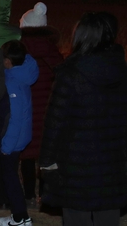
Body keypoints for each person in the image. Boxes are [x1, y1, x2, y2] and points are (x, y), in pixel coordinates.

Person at [39, 12, 127, 226]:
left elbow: (55, 123)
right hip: (112, 166)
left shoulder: (70, 74)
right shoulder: (121, 71)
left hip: (75, 167)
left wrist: (47, 162)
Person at [17, 3, 62, 205]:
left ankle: (28, 194)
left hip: (25, 107)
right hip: (48, 109)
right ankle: (44, 192)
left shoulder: (19, 51)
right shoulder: (54, 53)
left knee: (27, 152)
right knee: (45, 151)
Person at [0, 40, 38, 226]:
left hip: (13, 139)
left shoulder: (13, 82)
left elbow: (15, 118)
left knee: (10, 176)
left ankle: (21, 217)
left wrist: (6, 146)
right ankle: (17, 216)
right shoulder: (24, 73)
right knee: (10, 174)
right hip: (21, 136)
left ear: (8, 61)